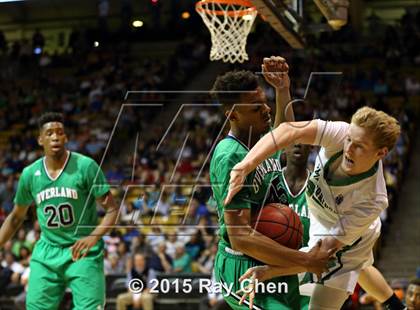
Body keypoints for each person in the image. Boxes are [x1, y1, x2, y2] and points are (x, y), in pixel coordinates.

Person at [225, 106, 405, 309]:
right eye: (349, 140)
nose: (348, 148)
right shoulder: (342, 132)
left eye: (359, 146)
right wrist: (245, 166)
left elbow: (320, 258)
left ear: (381, 153)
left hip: (349, 241)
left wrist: (268, 271)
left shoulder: (372, 200)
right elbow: (288, 130)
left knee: (344, 273)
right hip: (322, 217)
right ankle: (397, 305)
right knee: (363, 266)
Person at [209, 57, 333, 310]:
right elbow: (240, 237)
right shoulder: (229, 155)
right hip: (244, 267)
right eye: (256, 108)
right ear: (232, 114)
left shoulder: (260, 139)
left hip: (276, 263)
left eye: (265, 102)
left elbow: (284, 128)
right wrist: (305, 260)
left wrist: (282, 89)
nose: (265, 109)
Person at [0, 112, 119, 310]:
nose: (55, 137)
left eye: (59, 132)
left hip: (82, 251)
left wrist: (93, 237)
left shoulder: (86, 166)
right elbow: (15, 218)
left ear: (65, 138)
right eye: (49, 133)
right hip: (47, 252)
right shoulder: (30, 174)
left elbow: (113, 210)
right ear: (40, 139)